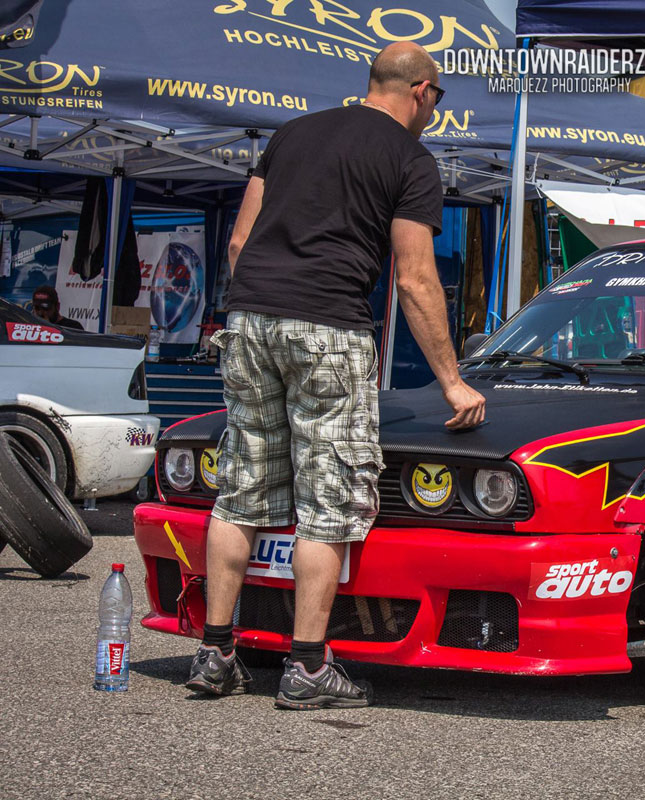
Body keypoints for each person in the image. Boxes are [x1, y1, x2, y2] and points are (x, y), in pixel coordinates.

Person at [185, 42, 485, 710]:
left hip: (250, 319)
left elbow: (238, 242)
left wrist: (266, 305)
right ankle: (309, 667)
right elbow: (414, 277)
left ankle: (214, 654)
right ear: (424, 92)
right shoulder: (410, 159)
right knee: (329, 500)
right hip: (330, 328)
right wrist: (452, 380)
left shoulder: (292, 135)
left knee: (241, 488)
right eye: (438, 101)